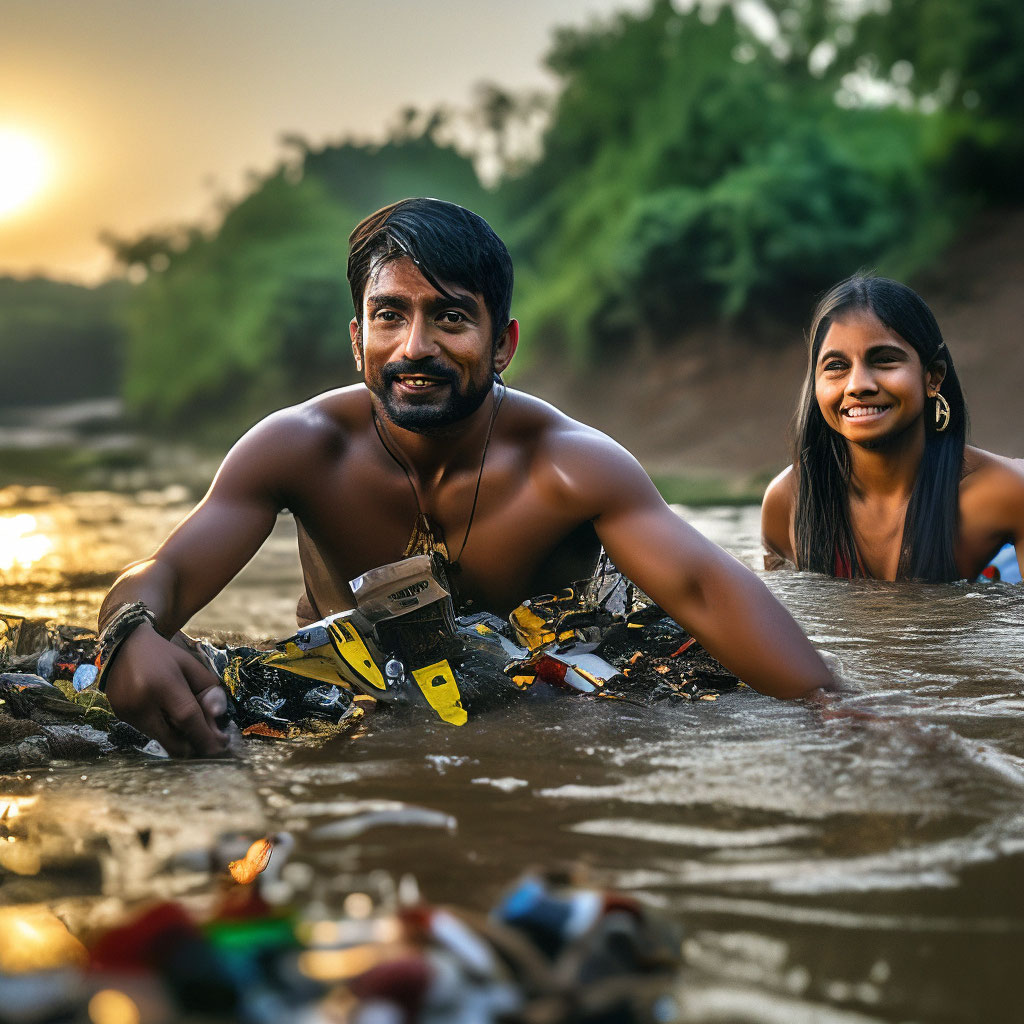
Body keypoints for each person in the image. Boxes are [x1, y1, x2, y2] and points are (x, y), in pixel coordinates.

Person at [100, 198, 833, 757]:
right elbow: (164, 570)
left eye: (450, 318)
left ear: (502, 342)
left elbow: (704, 587)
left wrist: (841, 708)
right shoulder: (296, 449)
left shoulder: (570, 464)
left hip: (553, 696)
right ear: (358, 338)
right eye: (389, 316)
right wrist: (128, 632)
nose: (414, 347)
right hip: (361, 697)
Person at [762, 274, 1024, 582]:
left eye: (884, 360)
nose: (858, 385)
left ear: (933, 377)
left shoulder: (1006, 492)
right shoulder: (788, 502)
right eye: (835, 366)